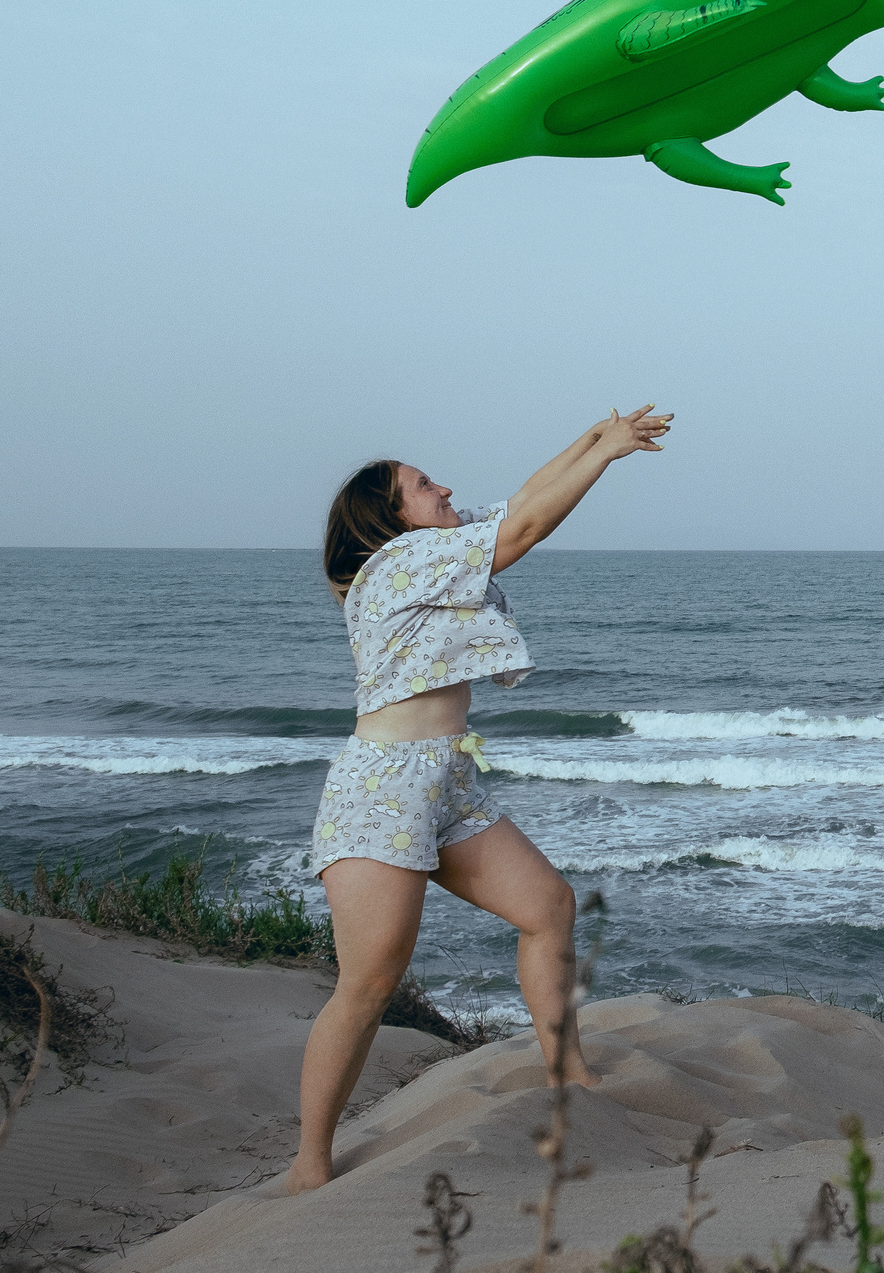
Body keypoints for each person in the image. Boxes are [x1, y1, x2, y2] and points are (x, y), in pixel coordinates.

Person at [282, 405, 672, 1194]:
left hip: (446, 780)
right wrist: (606, 453)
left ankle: (570, 1077)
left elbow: (520, 501)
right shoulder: (398, 565)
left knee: (548, 907)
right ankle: (309, 1166)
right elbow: (523, 528)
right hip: (383, 789)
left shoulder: (434, 551)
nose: (445, 486)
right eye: (424, 485)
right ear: (388, 519)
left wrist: (599, 440)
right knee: (367, 986)